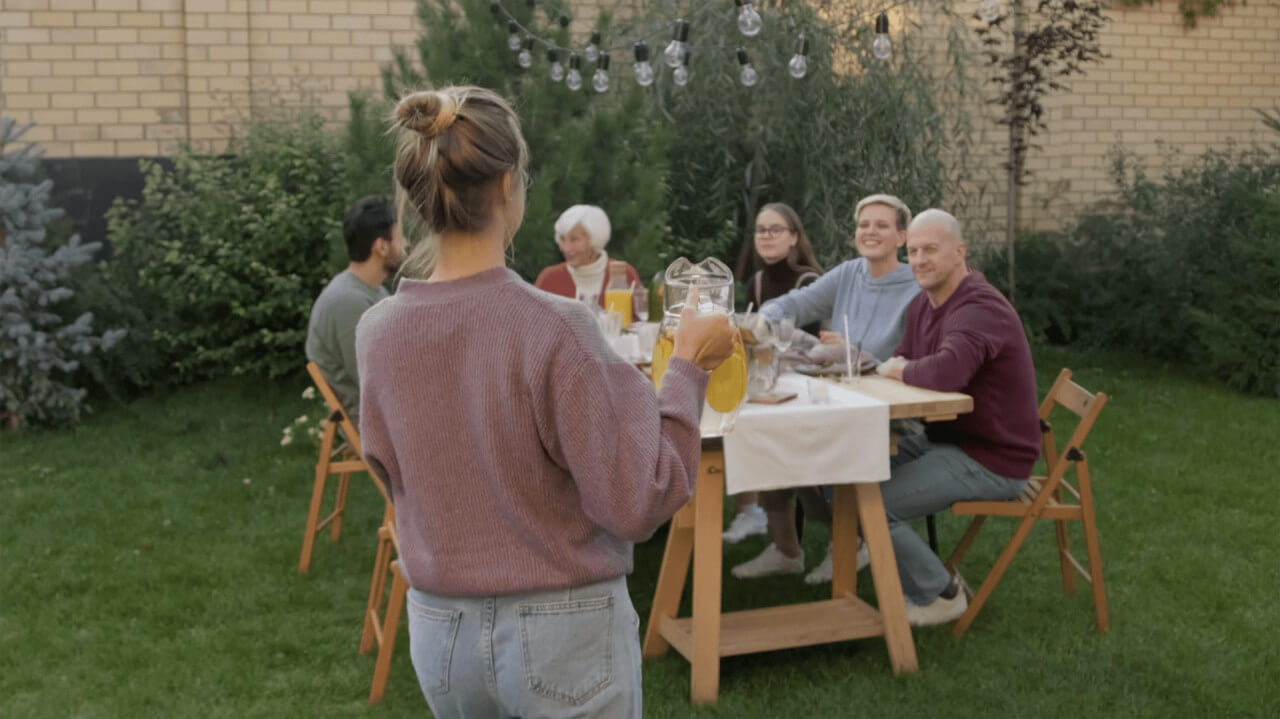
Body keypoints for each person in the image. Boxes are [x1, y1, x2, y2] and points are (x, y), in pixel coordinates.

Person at [354, 85, 736, 718]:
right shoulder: (553, 325)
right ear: (508, 184)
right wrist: (689, 368)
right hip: (562, 628)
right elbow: (639, 497)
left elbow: (392, 474)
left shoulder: (378, 331)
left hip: (439, 629)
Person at [736, 194, 922, 583]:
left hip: (886, 408)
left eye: (881, 225)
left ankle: (853, 539)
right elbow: (793, 304)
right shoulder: (849, 273)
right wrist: (762, 321)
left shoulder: (916, 287)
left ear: (902, 237)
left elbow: (910, 360)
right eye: (863, 224)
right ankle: (787, 550)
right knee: (767, 436)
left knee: (793, 444)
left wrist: (854, 352)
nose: (869, 232)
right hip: (833, 395)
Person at [874, 209, 1041, 626]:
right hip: (945, 439)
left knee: (869, 504)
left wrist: (897, 369)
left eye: (930, 249)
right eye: (912, 251)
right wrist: (900, 368)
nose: (919, 260)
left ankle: (940, 594)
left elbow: (944, 372)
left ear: (959, 251)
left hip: (991, 457)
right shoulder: (923, 305)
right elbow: (911, 363)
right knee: (841, 478)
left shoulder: (980, 308)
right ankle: (927, 580)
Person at [723, 203, 825, 545]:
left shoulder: (809, 281)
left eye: (775, 229)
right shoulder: (758, 281)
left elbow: (808, 348)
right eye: (760, 230)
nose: (766, 236)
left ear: (794, 237)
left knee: (761, 434)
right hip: (769, 380)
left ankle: (845, 539)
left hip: (809, 386)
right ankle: (772, 535)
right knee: (739, 423)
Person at [304, 195, 405, 426]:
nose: (405, 245)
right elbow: (375, 384)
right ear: (381, 246)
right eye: (401, 238)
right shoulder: (347, 303)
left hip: (390, 414)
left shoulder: (372, 291)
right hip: (375, 425)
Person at [534, 204, 641, 306]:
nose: (565, 248)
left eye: (574, 239)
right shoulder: (549, 279)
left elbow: (643, 320)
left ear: (595, 240)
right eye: (562, 239)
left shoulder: (623, 273)